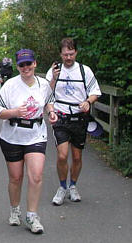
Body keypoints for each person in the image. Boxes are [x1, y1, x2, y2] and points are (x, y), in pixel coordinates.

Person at [0, 49, 57, 234]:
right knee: (15, 177)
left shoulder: (44, 84)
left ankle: (32, 216)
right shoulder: (10, 86)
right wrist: (14, 112)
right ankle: (15, 210)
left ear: (35, 64)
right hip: (12, 135)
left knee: (36, 175)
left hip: (36, 134)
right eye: (21, 65)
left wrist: (51, 112)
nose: (25, 67)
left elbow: (49, 101)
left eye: (28, 63)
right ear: (17, 67)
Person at [46, 38, 101, 206]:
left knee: (77, 157)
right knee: (62, 155)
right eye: (65, 54)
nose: (68, 57)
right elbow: (46, 92)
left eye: (71, 54)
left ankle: (73, 186)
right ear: (60, 54)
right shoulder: (55, 70)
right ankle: (62, 187)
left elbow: (95, 92)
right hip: (61, 116)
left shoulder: (85, 71)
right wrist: (54, 79)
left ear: (76, 52)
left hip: (79, 118)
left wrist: (88, 102)